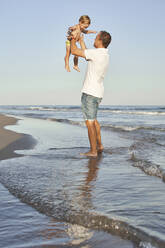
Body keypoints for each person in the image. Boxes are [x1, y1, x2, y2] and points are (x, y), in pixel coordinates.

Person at [70, 31, 111, 157]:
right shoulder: (104, 54)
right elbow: (87, 54)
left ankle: (93, 151)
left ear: (100, 41)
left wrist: (73, 38)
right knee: (94, 121)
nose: (94, 39)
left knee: (89, 123)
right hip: (98, 92)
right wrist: (81, 41)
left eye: (96, 37)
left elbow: (74, 51)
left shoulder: (96, 53)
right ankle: (99, 145)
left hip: (89, 92)